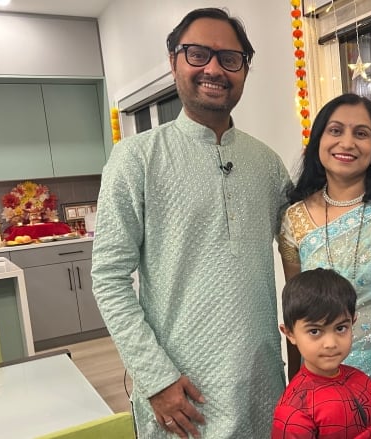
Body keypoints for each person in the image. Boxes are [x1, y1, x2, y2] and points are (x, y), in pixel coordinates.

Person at [91, 8, 291, 438]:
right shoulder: (136, 159)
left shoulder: (267, 165)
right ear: (173, 62)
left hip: (261, 381)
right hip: (180, 393)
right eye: (198, 54)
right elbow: (108, 278)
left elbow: (308, 238)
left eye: (230, 59)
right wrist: (155, 377)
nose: (214, 69)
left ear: (245, 69)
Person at [278, 93, 371, 437]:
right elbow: (297, 308)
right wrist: (299, 389)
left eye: (361, 133)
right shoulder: (294, 218)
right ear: (318, 141)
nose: (347, 142)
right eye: (336, 130)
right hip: (329, 381)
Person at [272, 268, 371, 438]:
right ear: (290, 333)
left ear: (353, 323)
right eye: (315, 331)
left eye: (340, 328)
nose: (331, 344)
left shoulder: (364, 382)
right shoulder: (295, 408)